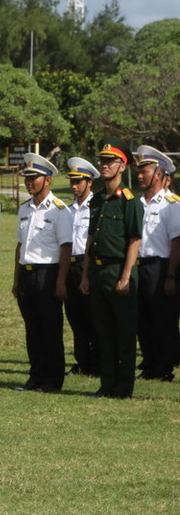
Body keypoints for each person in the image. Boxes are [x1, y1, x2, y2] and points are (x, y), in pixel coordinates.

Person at [79, 138, 143, 398]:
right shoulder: (96, 200)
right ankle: (107, 384)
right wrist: (85, 275)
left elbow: (134, 240)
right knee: (103, 332)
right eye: (102, 161)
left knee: (124, 332)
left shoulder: (129, 200)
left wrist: (126, 276)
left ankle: (123, 387)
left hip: (118, 269)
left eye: (110, 161)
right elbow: (90, 240)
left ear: (122, 166)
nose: (104, 165)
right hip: (98, 271)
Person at [11, 153, 73, 392]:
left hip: (48, 274)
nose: (29, 182)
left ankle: (53, 379)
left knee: (50, 329)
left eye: (34, 178)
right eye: (26, 178)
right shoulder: (24, 209)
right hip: (27, 274)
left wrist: (61, 281)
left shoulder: (59, 210)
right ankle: (35, 376)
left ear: (47, 180)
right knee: (32, 329)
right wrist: (16, 279)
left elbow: (66, 247)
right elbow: (20, 246)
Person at [133, 145, 180, 381]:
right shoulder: (137, 203)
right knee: (143, 319)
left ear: (159, 175)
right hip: (139, 267)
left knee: (163, 319)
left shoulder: (171, 205)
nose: (140, 176)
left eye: (145, 171)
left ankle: (164, 367)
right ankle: (149, 364)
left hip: (160, 267)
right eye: (139, 171)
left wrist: (171, 276)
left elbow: (176, 243)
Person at [64, 156, 101, 376]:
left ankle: (98, 362)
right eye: (72, 181)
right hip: (69, 266)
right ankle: (83, 361)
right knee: (75, 316)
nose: (74, 186)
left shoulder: (96, 207)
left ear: (89, 182)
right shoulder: (68, 210)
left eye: (78, 181)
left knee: (92, 316)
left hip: (87, 265)